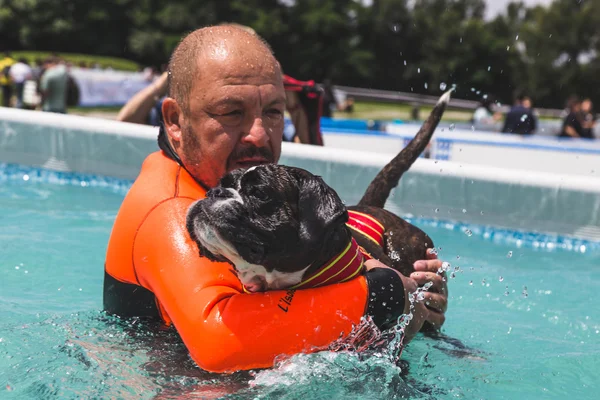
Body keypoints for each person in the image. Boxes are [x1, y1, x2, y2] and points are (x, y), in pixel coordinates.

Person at [103, 25, 449, 373]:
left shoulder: (218, 191)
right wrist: (388, 295)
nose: (259, 134)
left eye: (272, 112)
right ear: (175, 121)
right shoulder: (173, 209)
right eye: (231, 112)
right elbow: (220, 346)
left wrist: (416, 288)